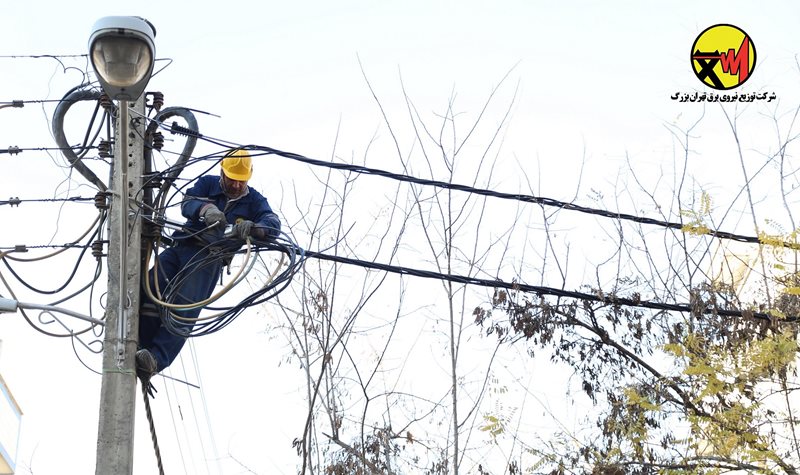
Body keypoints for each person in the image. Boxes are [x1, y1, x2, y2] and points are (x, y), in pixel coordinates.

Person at [136, 149, 281, 378]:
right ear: (222, 172)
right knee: (150, 287)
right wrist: (206, 209)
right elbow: (188, 202)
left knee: (184, 307)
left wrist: (256, 228)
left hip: (209, 258)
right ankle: (139, 344)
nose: (236, 186)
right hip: (182, 246)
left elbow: (272, 222)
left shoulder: (254, 201)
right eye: (232, 179)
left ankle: (155, 359)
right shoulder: (207, 184)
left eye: (241, 182)